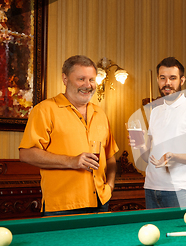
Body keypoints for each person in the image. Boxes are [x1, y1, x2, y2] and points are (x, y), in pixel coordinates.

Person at [19, 55, 119, 215]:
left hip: (101, 202)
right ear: (65, 79)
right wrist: (72, 161)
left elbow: (110, 157)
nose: (88, 85)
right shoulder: (45, 110)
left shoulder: (100, 114)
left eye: (92, 80)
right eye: (81, 79)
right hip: (62, 207)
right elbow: (26, 153)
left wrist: (110, 187)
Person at [130, 57, 186, 208]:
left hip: (178, 190)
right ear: (158, 80)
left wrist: (175, 156)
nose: (167, 83)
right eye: (163, 78)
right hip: (151, 188)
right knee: (153, 232)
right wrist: (140, 146)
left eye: (173, 78)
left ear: (182, 80)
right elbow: (149, 158)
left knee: (182, 232)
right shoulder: (155, 111)